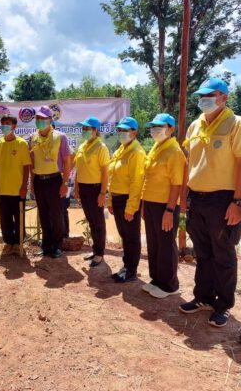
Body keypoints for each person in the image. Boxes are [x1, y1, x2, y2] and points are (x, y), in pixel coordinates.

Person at [179, 78, 241, 328]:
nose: (204, 100)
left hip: (223, 199)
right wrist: (184, 196)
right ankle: (203, 297)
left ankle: (223, 305)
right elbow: (189, 162)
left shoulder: (237, 124)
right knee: (203, 253)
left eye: (210, 95)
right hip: (197, 198)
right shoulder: (195, 125)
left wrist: (238, 202)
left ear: (224, 98)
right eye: (202, 96)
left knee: (223, 254)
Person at [142, 114, 186, 298]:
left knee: (166, 244)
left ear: (171, 129)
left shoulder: (174, 151)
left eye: (160, 126)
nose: (155, 130)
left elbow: (177, 184)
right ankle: (157, 279)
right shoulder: (156, 147)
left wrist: (169, 210)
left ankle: (169, 285)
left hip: (165, 206)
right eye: (153, 126)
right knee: (154, 242)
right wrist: (144, 204)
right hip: (151, 203)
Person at [29, 106, 72, 258]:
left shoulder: (60, 137)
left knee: (56, 214)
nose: (40, 121)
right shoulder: (32, 138)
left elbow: (67, 161)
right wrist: (32, 184)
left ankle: (57, 246)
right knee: (43, 214)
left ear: (50, 120)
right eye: (37, 118)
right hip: (39, 181)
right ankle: (46, 246)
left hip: (55, 180)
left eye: (43, 118)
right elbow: (32, 164)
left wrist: (65, 183)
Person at [108, 117, 145, 282]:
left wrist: (131, 207)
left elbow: (137, 182)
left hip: (128, 200)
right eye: (119, 130)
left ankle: (131, 271)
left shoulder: (137, 153)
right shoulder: (120, 150)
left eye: (125, 130)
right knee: (125, 235)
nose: (121, 133)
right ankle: (126, 266)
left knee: (131, 237)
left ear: (134, 132)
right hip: (117, 199)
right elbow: (113, 177)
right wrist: (110, 200)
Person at [73, 116, 110, 267]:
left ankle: (100, 253)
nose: (84, 131)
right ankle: (95, 250)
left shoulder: (101, 147)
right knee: (91, 220)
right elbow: (78, 169)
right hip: (84, 188)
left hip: (95, 189)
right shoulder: (82, 146)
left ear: (95, 130)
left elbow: (105, 172)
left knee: (98, 222)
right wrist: (76, 188)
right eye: (83, 128)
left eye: (87, 128)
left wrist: (102, 193)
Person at [0, 114, 31, 256]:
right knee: (5, 219)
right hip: (3, 189)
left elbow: (26, 166)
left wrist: (24, 186)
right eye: (3, 124)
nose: (5, 126)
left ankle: (18, 243)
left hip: (18, 189)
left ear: (14, 126)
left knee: (19, 218)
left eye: (8, 124)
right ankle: (8, 243)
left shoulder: (21, 143)